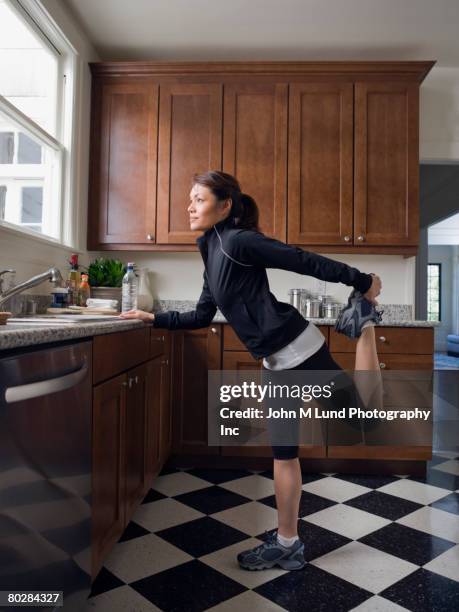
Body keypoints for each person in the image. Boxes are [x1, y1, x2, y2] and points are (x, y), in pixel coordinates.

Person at [118, 170, 383, 571]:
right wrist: (152, 318)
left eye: (199, 199)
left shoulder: (240, 241)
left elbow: (301, 260)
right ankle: (287, 543)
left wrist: (361, 280)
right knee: (283, 454)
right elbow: (202, 314)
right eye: (189, 198)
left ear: (225, 206)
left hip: (298, 348)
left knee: (364, 424)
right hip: (275, 362)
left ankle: (365, 326)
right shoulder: (211, 247)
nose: (189, 206)